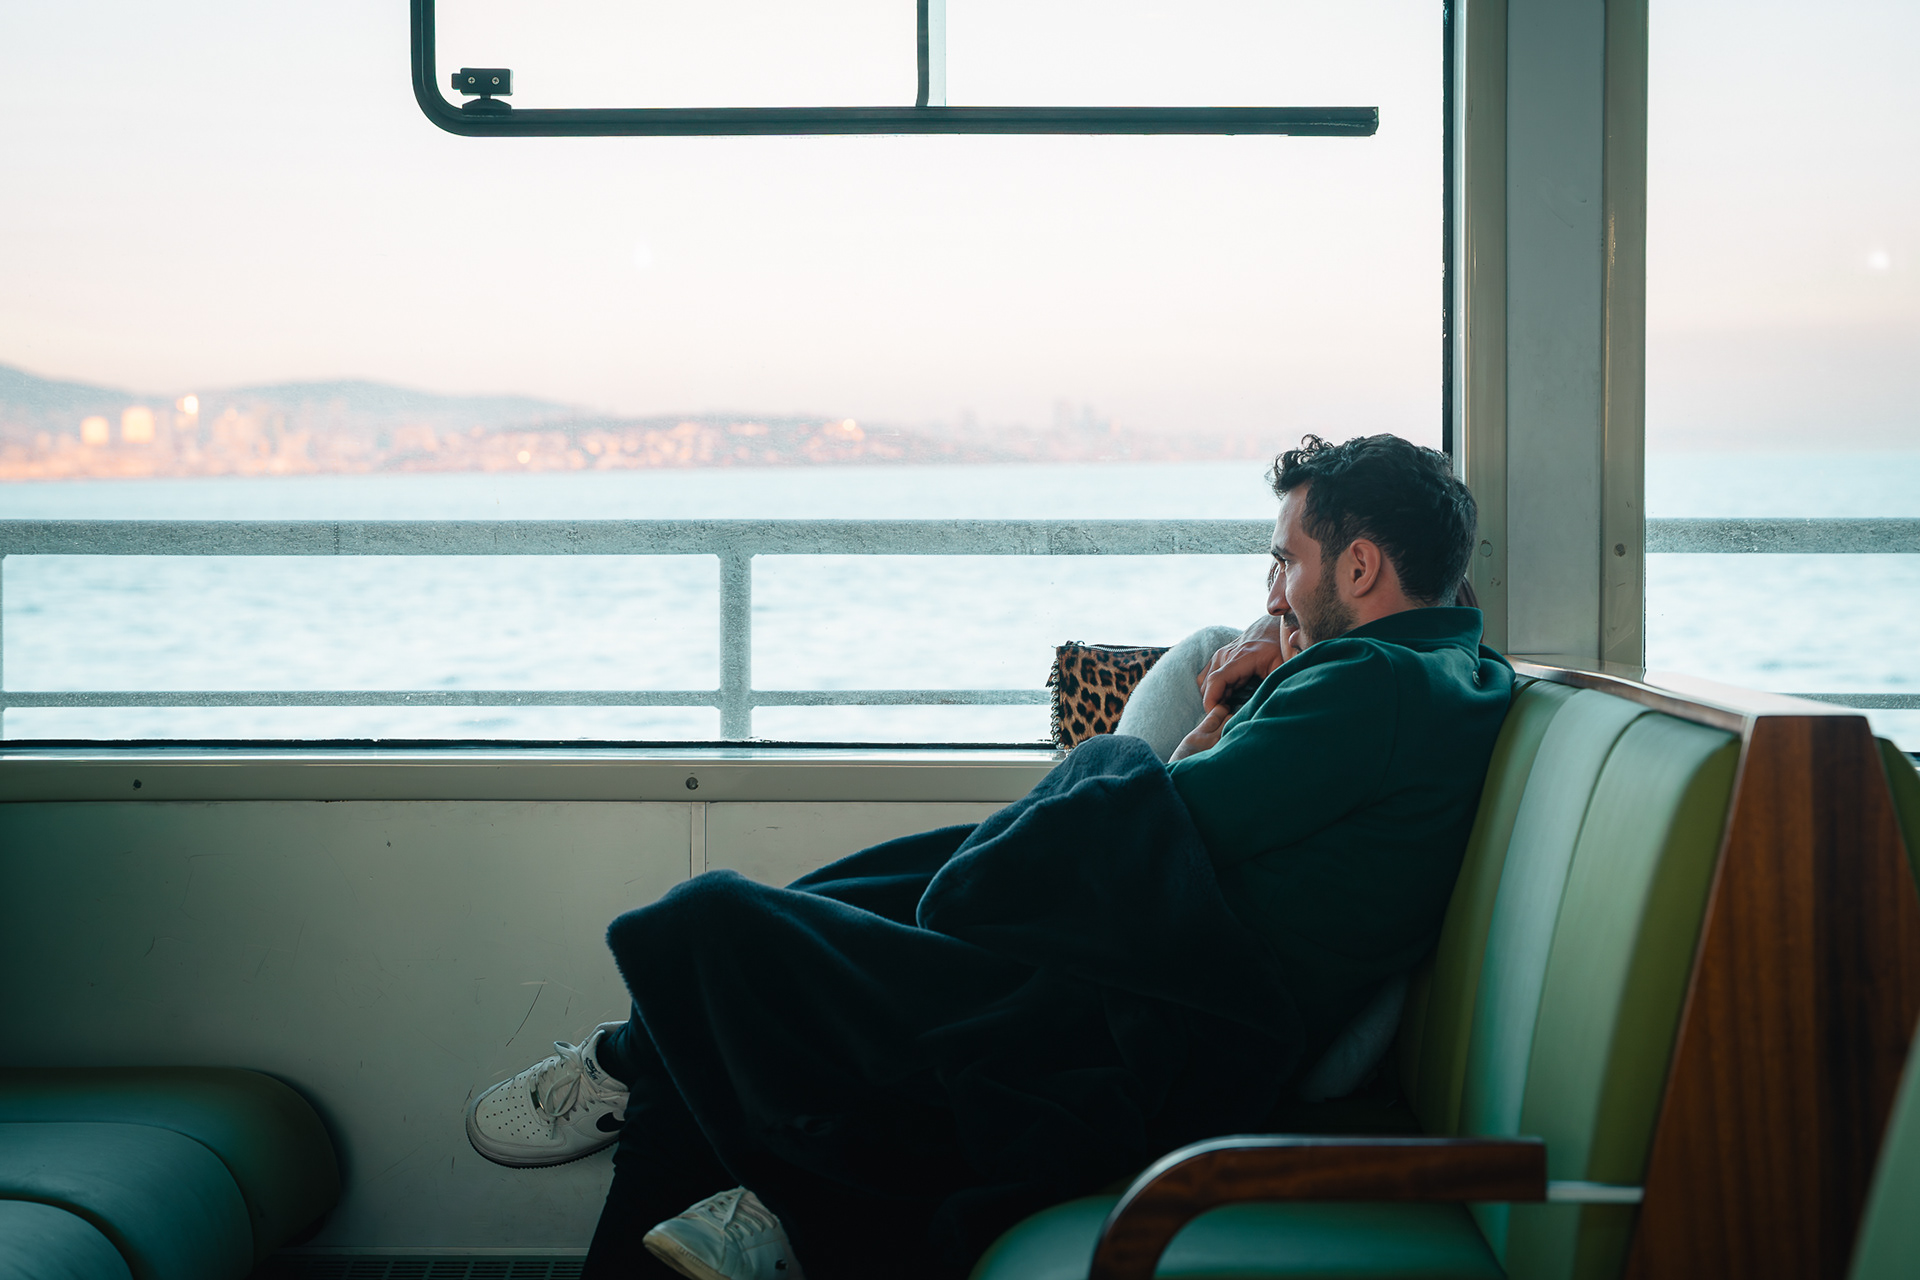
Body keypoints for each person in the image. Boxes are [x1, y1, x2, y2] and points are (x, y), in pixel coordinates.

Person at [463, 434, 1515, 1280]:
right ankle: (676, 1099)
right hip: (1146, 978)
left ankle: (626, 1060)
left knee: (717, 921)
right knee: (814, 921)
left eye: (1286, 559)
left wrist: (1201, 724)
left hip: (1151, 1026)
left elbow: (1160, 816)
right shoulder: (1453, 669)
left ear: (1361, 566)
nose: (1274, 592)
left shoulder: (1370, 685)